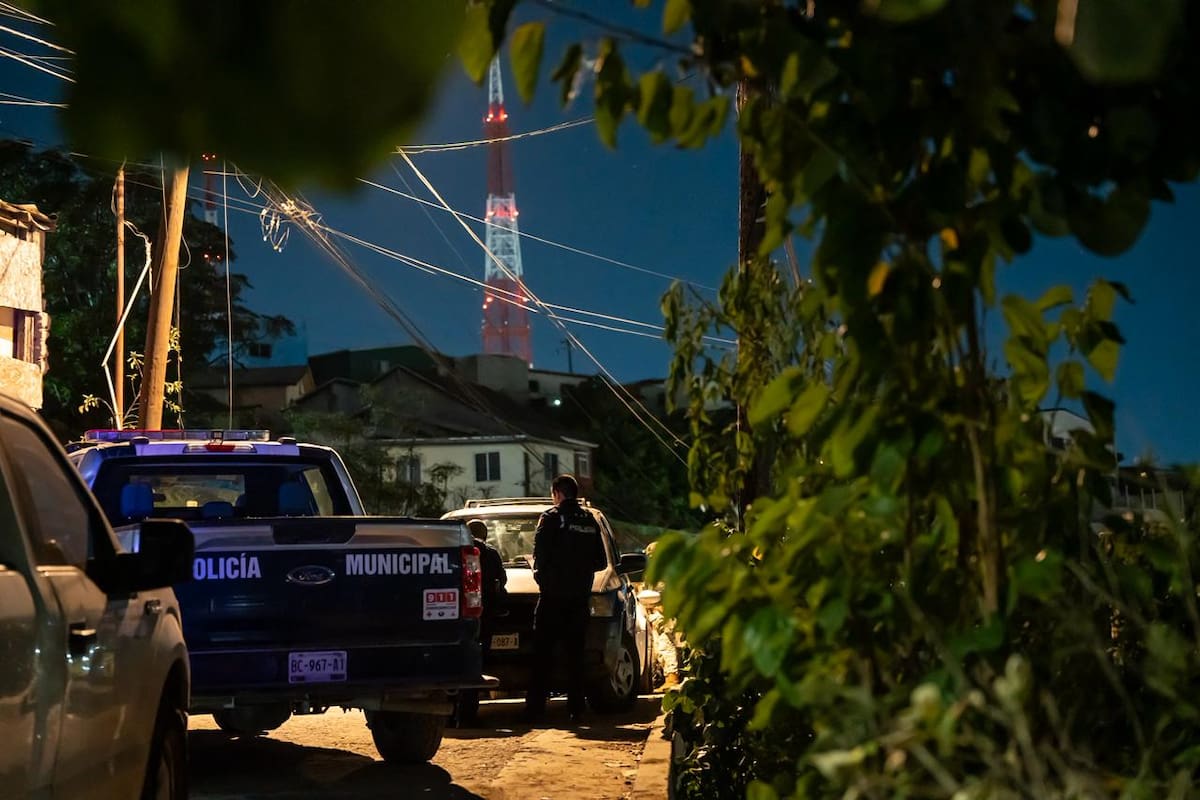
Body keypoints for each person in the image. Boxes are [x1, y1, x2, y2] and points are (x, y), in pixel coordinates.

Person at [525, 474, 608, 724]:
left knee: (542, 655)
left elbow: (540, 556)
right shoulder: (590, 520)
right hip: (579, 599)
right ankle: (576, 709)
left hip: (552, 599)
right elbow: (601, 561)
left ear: (557, 493)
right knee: (575, 656)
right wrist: (578, 571)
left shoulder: (550, 518)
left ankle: (536, 709)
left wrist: (546, 577)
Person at [456, 518, 506, 726]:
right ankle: (468, 715)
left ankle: (451, 715)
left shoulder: (455, 549)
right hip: (481, 618)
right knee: (475, 665)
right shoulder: (490, 553)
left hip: (455, 617)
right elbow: (501, 582)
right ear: (485, 535)